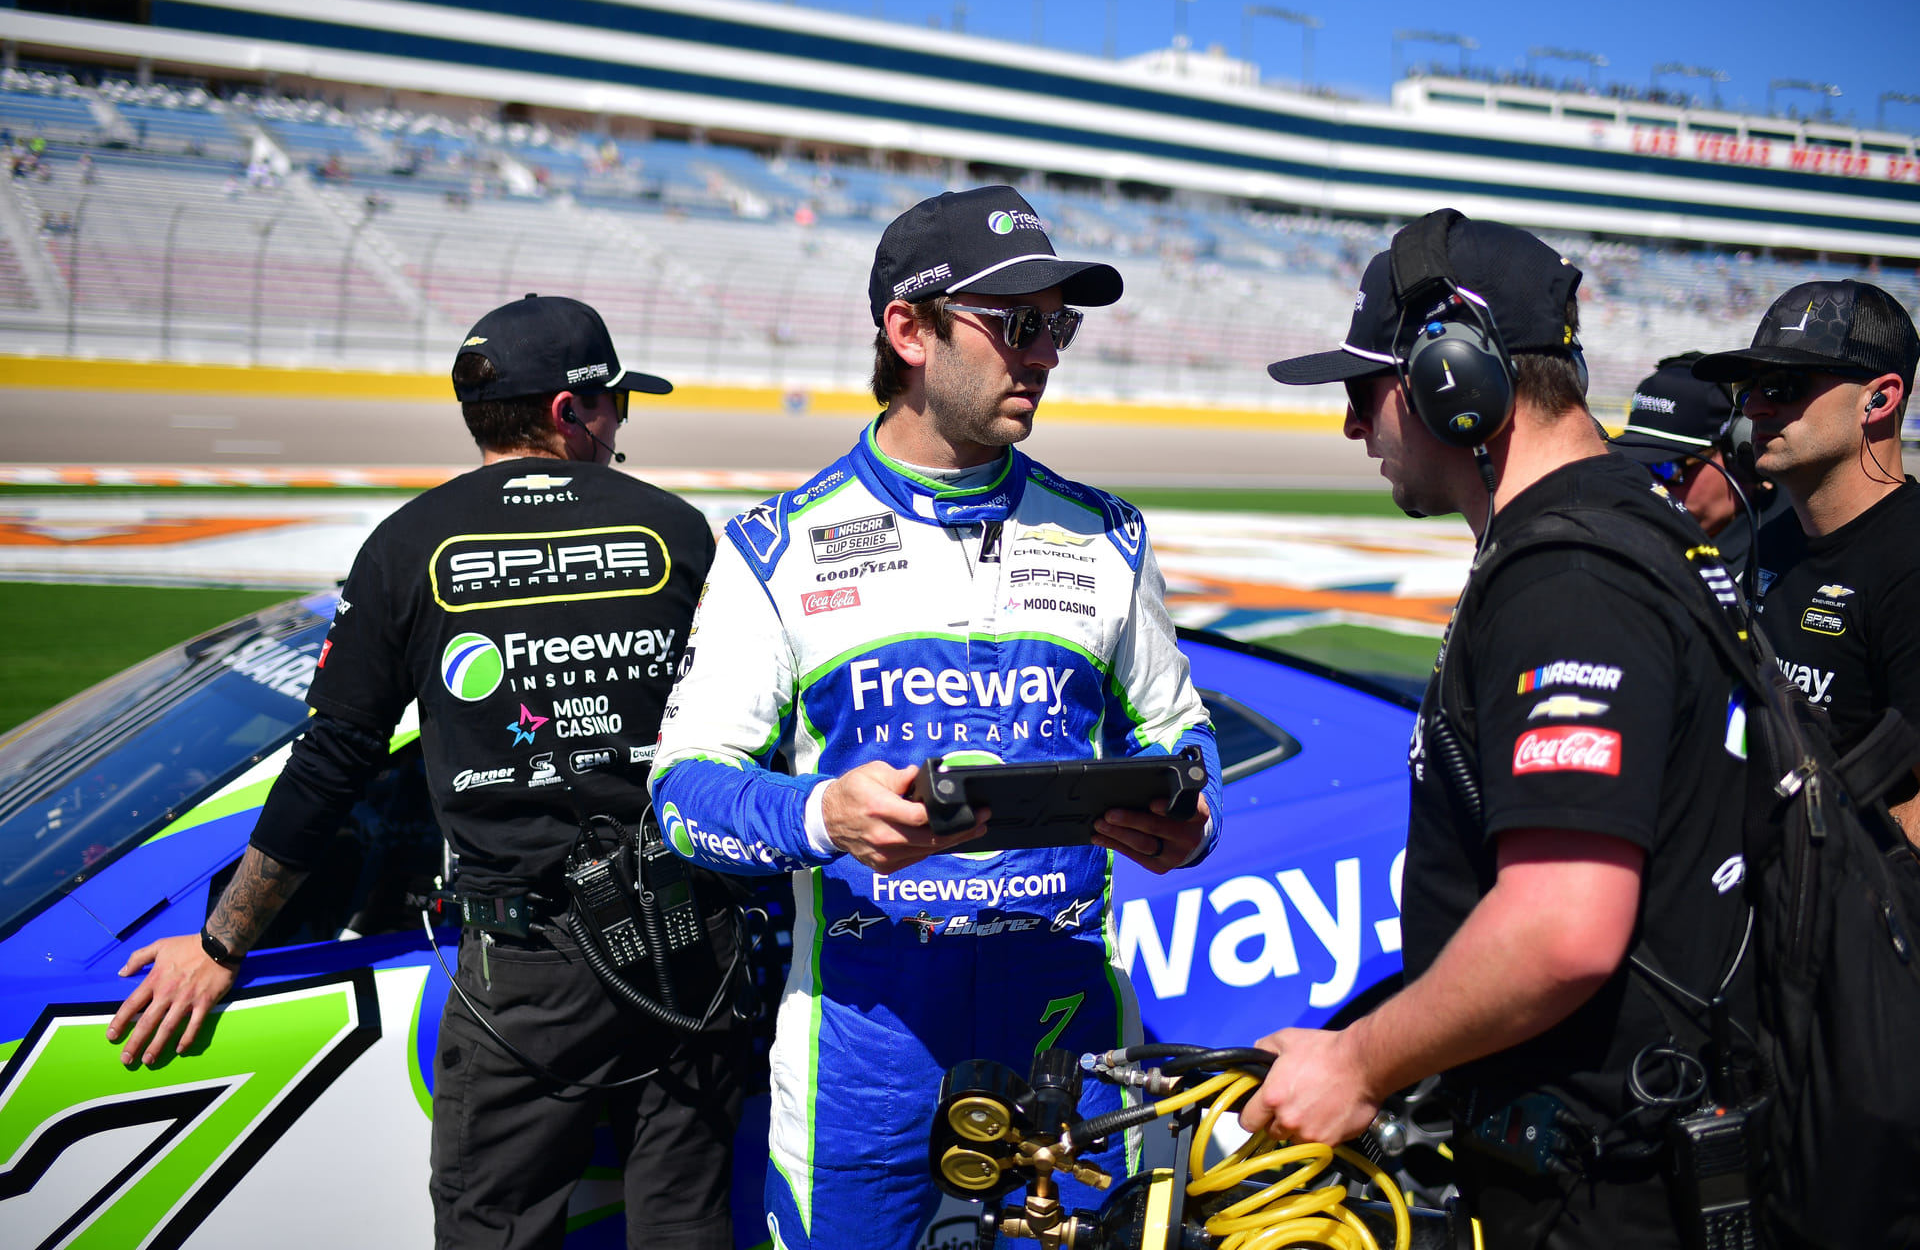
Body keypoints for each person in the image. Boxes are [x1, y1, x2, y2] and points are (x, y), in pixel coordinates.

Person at [648, 184, 1224, 1250]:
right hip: (861, 1046)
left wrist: (1191, 812)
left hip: (1069, 1030)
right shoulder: (778, 545)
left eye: (1059, 325)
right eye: (1016, 325)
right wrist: (822, 814)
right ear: (908, 330)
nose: (1045, 353)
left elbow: (1183, 732)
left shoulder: (1107, 535)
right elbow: (682, 791)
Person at [107, 295, 744, 1250]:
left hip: (525, 965)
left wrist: (222, 943)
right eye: (614, 404)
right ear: (570, 413)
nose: (620, 426)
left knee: (494, 1230)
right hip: (688, 937)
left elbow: (333, 763)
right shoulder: (677, 532)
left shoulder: (410, 543)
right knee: (685, 1224)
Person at [1249, 211, 1753, 1247]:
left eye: (1363, 391)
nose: (1354, 429)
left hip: (1609, 1183)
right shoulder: (1629, 529)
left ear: (1452, 377)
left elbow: (1563, 925)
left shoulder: (1569, 580)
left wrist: (1357, 1064)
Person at [1694, 280, 1920, 842]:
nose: (1754, 405)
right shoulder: (1771, 540)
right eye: (1749, 387)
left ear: (1881, 398)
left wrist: (1835, 873)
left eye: (1784, 384)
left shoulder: (1911, 556)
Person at [1606, 351, 1787, 583]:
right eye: (1637, 467)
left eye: (1669, 469)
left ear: (1743, 455)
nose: (1652, 487)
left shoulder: (1793, 556)